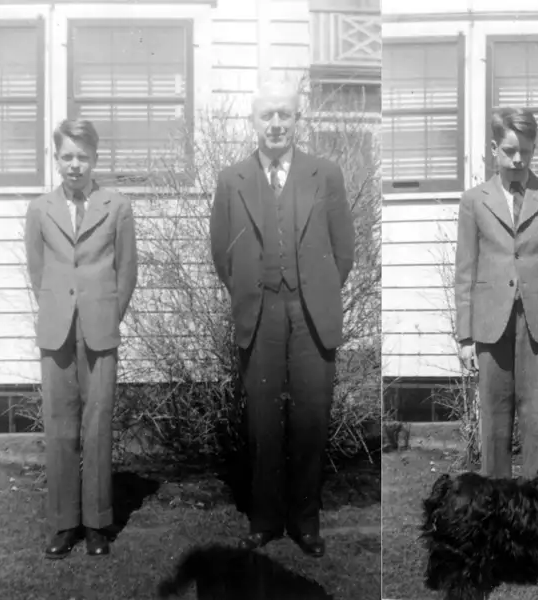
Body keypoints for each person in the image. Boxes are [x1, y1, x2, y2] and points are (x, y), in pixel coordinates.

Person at [209, 79, 355, 558]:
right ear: (254, 122)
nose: (276, 124)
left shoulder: (325, 174)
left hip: (313, 311)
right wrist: (254, 291)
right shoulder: (232, 180)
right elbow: (222, 255)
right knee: (263, 420)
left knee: (311, 417)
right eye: (267, 116)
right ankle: (265, 519)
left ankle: (306, 522)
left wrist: (314, 288)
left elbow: (345, 250)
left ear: (298, 119)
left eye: (285, 115)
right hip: (260, 311)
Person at [24, 119, 138, 559]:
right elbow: (39, 271)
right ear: (57, 158)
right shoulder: (40, 209)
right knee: (59, 425)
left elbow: (126, 271)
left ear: (95, 159)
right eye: (67, 156)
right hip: (57, 329)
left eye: (83, 156)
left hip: (99, 328)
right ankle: (62, 523)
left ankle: (95, 523)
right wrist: (58, 307)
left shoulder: (117, 205)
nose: (75, 165)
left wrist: (106, 313)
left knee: (96, 424)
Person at [454, 107, 538, 481]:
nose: (519, 159)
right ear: (494, 148)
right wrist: (465, 336)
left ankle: (535, 512)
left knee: (537, 420)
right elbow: (465, 271)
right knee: (494, 421)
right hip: (490, 324)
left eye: (526, 150)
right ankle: (494, 511)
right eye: (510, 151)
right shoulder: (474, 201)